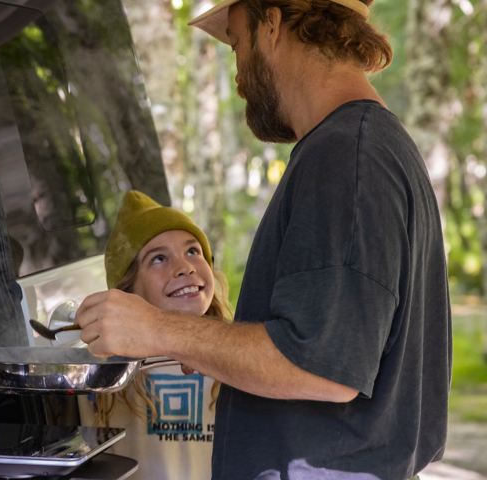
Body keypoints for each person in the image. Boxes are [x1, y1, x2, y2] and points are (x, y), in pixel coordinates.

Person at [75, 1, 451, 479]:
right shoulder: (365, 144)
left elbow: (322, 366)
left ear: (271, 24)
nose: (237, 76)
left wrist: (158, 329)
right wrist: (203, 346)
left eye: (236, 43)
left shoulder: (345, 157)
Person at [79, 189, 233, 480]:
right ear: (127, 293)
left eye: (193, 251)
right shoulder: (101, 375)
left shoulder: (237, 356)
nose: (185, 267)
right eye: (159, 259)